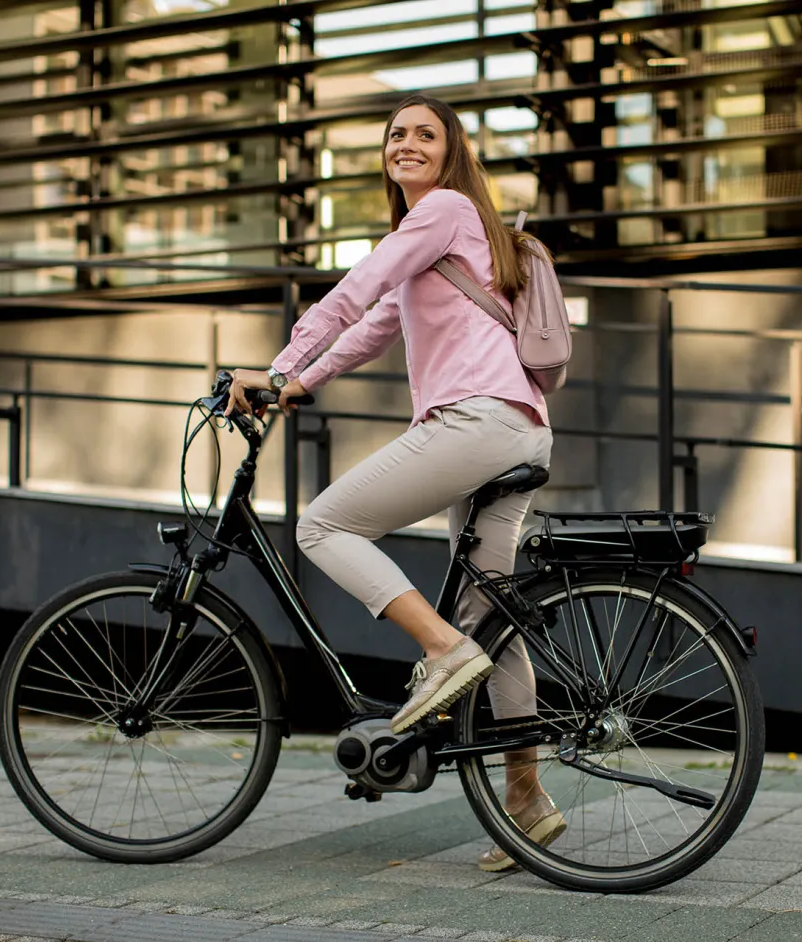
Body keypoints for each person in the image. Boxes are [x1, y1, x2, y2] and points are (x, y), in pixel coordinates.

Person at [225, 93, 564, 871]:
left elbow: (355, 288)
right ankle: (525, 803)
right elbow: (374, 323)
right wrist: (303, 380)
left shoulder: (442, 211)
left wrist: (275, 368)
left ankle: (439, 653)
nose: (406, 144)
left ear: (451, 155)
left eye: (425, 135)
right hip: (519, 425)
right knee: (493, 619)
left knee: (324, 526)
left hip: (476, 422)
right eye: (396, 135)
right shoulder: (440, 240)